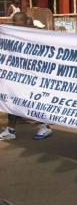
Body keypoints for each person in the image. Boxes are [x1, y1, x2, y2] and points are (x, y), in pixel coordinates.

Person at [0, 12, 53, 141]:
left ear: (24, 21)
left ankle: (44, 126)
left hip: (33, 76)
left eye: (16, 22)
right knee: (11, 100)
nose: (14, 25)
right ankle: (10, 130)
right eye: (13, 22)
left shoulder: (36, 35)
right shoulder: (11, 34)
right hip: (16, 75)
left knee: (34, 101)